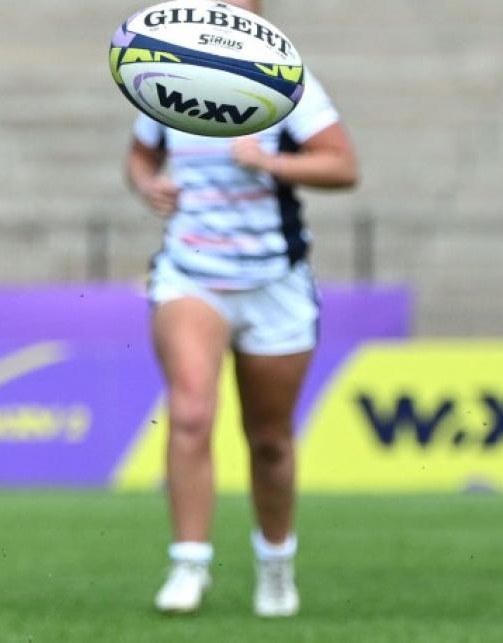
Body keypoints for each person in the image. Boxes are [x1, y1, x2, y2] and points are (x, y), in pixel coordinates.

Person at [123, 0, 359, 619]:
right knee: (192, 410)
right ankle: (189, 564)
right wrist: (150, 186)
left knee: (271, 439)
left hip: (273, 280)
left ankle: (275, 564)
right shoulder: (168, 73)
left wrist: (271, 161)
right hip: (191, 273)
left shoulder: (289, 84)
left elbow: (342, 165)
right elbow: (141, 156)